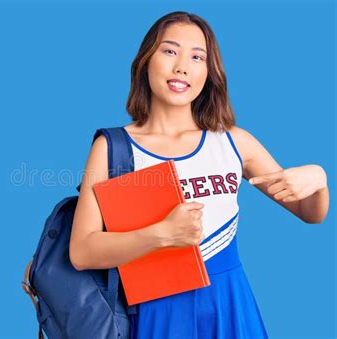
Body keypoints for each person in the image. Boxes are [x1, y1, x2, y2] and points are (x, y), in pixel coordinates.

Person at [69, 10, 329, 339]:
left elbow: (311, 214)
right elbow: (82, 251)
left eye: (197, 56)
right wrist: (162, 234)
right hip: (156, 311)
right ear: (146, 60)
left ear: (209, 71)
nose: (182, 66)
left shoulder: (234, 142)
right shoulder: (113, 147)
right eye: (169, 51)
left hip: (229, 305)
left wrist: (319, 179)